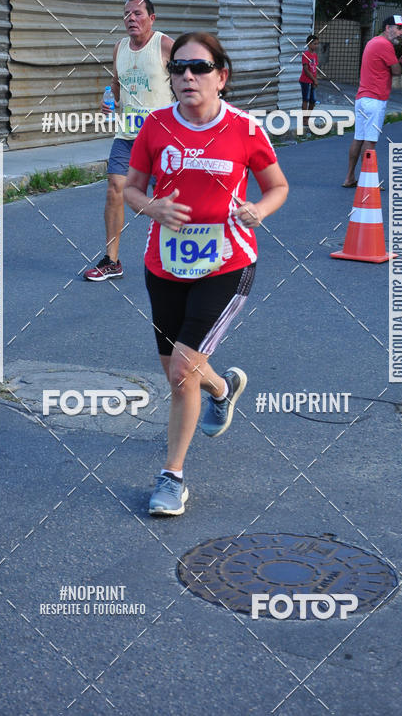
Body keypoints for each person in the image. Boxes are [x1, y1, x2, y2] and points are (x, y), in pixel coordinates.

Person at [124, 32, 289, 516]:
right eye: (177, 69)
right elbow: (130, 189)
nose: (187, 77)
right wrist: (152, 206)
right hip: (165, 265)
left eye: (198, 68)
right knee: (180, 373)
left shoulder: (244, 128)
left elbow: (277, 186)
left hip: (227, 263)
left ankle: (171, 477)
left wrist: (259, 209)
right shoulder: (155, 126)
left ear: (222, 76)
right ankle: (222, 388)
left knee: (180, 372)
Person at [83, 0, 174, 281]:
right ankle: (112, 261)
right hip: (127, 134)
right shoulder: (119, 47)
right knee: (115, 188)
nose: (131, 18)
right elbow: (116, 81)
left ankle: (178, 258)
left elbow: (188, 80)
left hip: (162, 137)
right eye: (126, 14)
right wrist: (109, 99)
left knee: (169, 197)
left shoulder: (165, 45)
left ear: (152, 18)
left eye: (137, 13)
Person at [342, 15, 402, 187]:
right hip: (375, 99)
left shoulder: (373, 42)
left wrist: (395, 62)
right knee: (370, 141)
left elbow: (384, 66)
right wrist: (399, 63)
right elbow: (397, 72)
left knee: (359, 138)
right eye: (399, 28)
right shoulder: (385, 45)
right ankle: (367, 181)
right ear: (387, 28)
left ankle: (349, 177)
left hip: (362, 97)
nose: (401, 33)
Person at [299, 34, 319, 125]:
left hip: (312, 81)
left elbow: (315, 68)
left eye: (317, 44)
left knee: (313, 100)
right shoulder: (305, 55)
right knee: (306, 99)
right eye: (314, 44)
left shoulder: (315, 55)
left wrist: (316, 79)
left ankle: (308, 117)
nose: (316, 46)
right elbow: (306, 70)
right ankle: (304, 119)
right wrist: (314, 80)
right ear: (309, 44)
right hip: (305, 81)